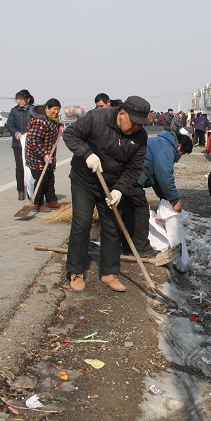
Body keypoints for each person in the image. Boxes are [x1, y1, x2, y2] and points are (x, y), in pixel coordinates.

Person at [62, 95, 150, 293]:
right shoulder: (97, 118)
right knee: (82, 223)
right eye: (134, 123)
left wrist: (119, 189)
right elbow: (70, 134)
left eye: (141, 124)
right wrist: (87, 154)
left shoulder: (140, 137)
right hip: (84, 180)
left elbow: (134, 168)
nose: (136, 128)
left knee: (112, 226)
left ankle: (109, 273)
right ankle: (75, 270)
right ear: (122, 113)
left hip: (111, 185)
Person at [119, 130, 193, 255]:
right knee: (141, 212)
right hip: (131, 179)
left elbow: (157, 179)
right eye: (182, 153)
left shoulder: (160, 142)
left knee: (128, 212)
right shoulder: (167, 148)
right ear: (179, 146)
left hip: (127, 178)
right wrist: (174, 200)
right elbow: (165, 176)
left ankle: (127, 246)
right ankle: (142, 248)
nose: (179, 157)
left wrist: (165, 197)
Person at [25, 98, 63, 211]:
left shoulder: (52, 119)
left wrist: (60, 126)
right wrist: (44, 154)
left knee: (50, 177)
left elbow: (54, 124)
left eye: (58, 109)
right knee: (42, 180)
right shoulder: (39, 121)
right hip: (36, 156)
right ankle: (37, 204)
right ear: (47, 108)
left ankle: (52, 201)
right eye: (54, 109)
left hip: (48, 155)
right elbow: (34, 141)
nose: (56, 112)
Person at [6, 89, 34, 201]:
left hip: (32, 143)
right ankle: (21, 190)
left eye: (21, 99)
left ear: (27, 99)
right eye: (18, 99)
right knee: (20, 167)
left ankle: (32, 191)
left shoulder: (33, 110)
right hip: (18, 143)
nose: (19, 101)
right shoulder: (14, 111)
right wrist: (16, 133)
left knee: (32, 167)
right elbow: (9, 124)